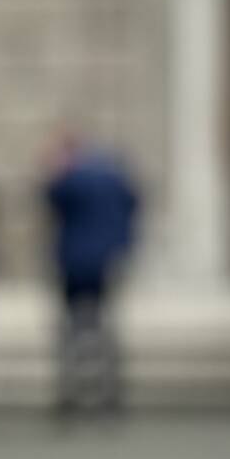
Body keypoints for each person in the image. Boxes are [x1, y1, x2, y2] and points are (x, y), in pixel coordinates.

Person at [43, 130, 138, 417]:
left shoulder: (69, 179)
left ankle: (71, 393)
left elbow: (49, 199)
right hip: (105, 261)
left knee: (72, 330)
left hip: (72, 261)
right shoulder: (115, 177)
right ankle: (109, 393)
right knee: (105, 328)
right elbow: (132, 207)